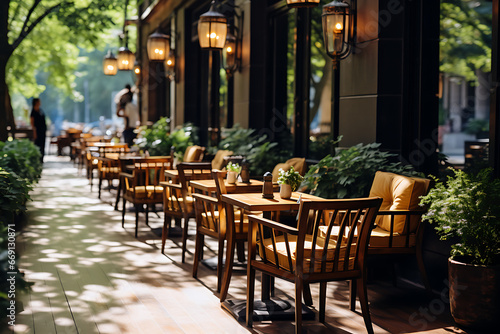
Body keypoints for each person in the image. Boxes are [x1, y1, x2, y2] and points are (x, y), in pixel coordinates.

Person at [30, 98, 47, 163]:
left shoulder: (41, 110)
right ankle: (37, 160)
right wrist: (34, 133)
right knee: (38, 145)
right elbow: (32, 123)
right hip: (37, 132)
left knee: (42, 146)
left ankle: (41, 160)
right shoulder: (33, 112)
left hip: (43, 131)